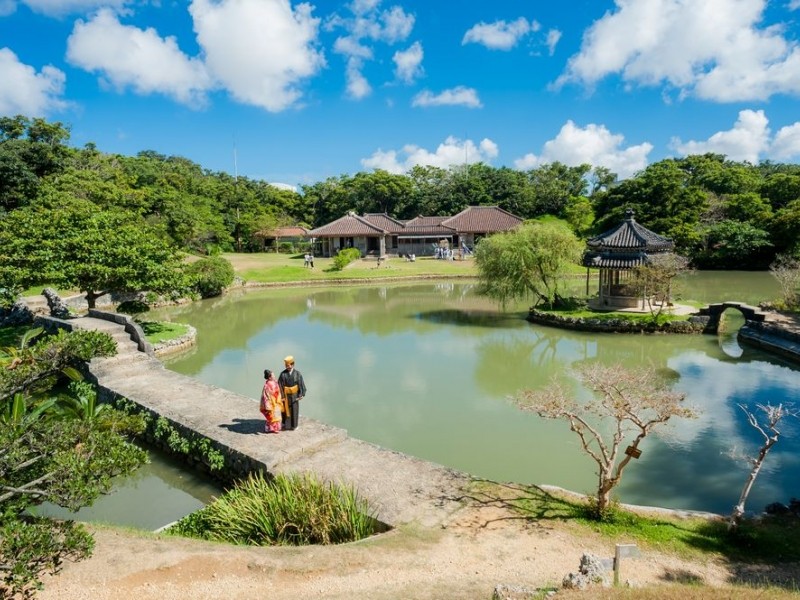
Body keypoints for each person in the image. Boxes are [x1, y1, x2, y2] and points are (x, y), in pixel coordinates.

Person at [278, 355, 306, 431]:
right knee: (285, 411)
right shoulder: (282, 374)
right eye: (286, 365)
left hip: (294, 395)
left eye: (289, 365)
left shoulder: (297, 374)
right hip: (286, 396)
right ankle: (285, 424)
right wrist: (282, 396)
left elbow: (301, 384)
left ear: (293, 364)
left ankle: (294, 425)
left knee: (294, 410)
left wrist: (301, 394)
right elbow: (280, 385)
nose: (288, 367)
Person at [260, 369, 282, 433]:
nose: (274, 376)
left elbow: (278, 390)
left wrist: (279, 398)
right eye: (273, 375)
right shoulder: (266, 385)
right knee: (271, 416)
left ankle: (276, 428)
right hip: (271, 402)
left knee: (277, 415)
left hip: (276, 400)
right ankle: (269, 428)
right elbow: (265, 396)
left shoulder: (275, 382)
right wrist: (267, 404)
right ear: (269, 377)